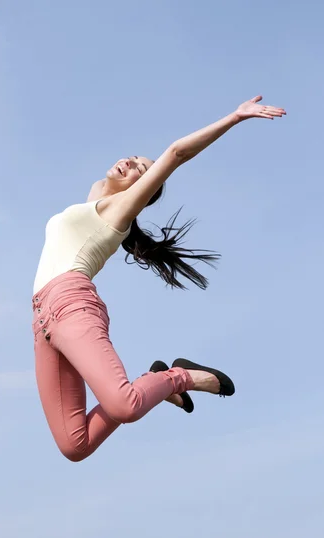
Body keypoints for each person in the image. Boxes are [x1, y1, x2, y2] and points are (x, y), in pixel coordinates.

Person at [32, 95, 286, 462]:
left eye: (140, 168)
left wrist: (233, 117)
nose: (131, 162)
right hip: (42, 322)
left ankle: (180, 377)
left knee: (125, 405)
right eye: (133, 157)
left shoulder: (117, 212)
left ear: (143, 188)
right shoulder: (93, 200)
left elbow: (177, 152)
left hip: (72, 305)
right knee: (75, 445)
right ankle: (160, 380)